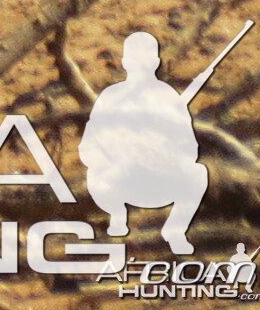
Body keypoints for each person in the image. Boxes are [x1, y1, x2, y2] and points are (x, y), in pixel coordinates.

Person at [81, 31, 209, 254]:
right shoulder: (111, 97)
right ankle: (118, 217)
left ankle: (176, 229)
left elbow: (190, 149)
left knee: (198, 173)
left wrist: (164, 153)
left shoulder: (168, 97)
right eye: (135, 61)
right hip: (119, 180)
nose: (141, 67)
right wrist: (115, 155)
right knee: (97, 177)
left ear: (156, 63)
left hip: (159, 179)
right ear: (125, 63)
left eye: (146, 61)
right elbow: (88, 147)